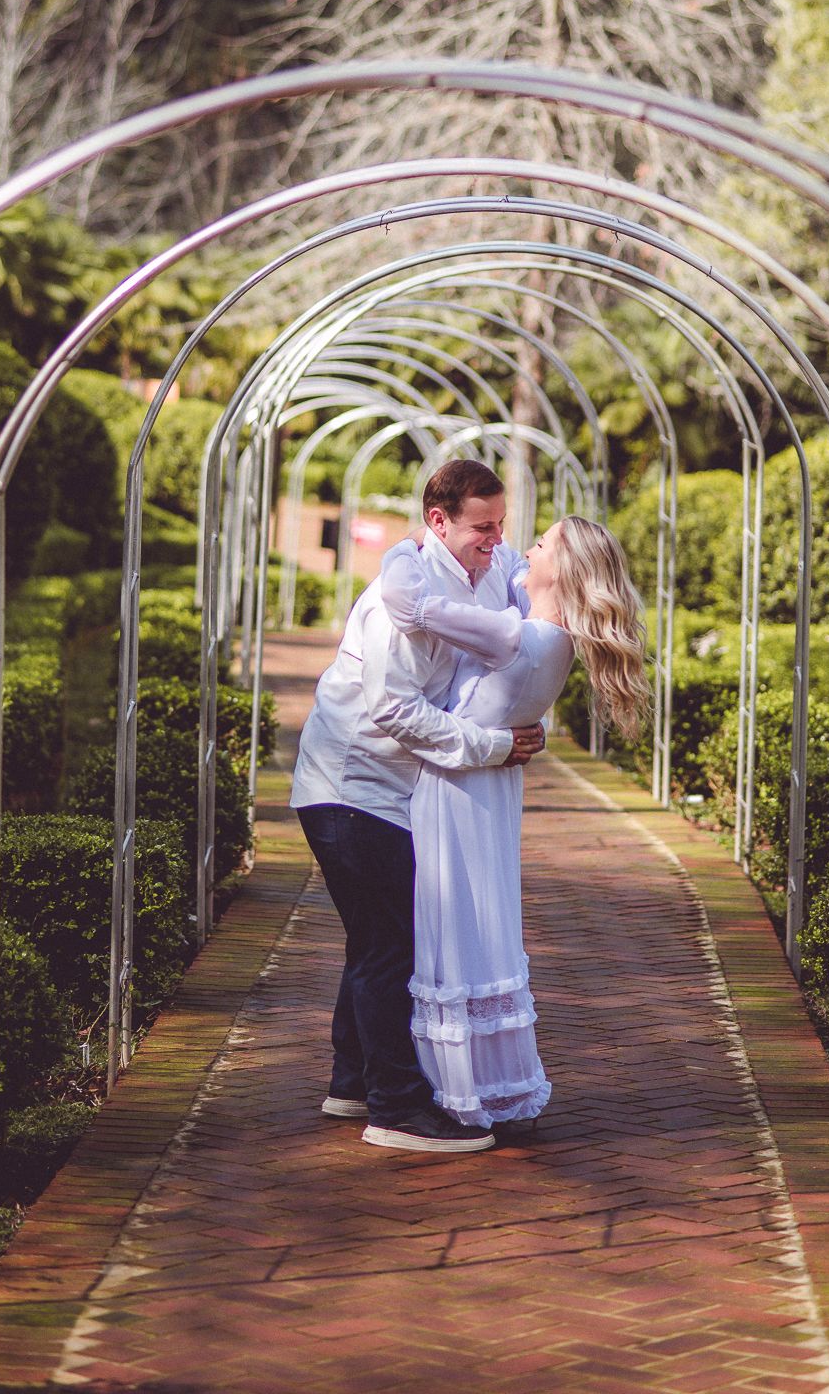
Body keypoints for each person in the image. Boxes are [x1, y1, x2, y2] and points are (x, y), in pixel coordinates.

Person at [291, 458, 542, 1155]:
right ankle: (396, 1109)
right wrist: (491, 745)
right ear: (438, 521)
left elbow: (529, 610)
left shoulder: (489, 569)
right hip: (349, 787)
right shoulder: (400, 597)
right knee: (391, 944)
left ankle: (352, 1083)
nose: (495, 540)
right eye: (480, 528)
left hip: (401, 789)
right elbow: (393, 708)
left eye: (500, 526)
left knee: (375, 937)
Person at [380, 516, 649, 1132]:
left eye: (543, 543)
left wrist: (410, 542)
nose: (526, 546)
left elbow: (408, 601)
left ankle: (448, 1086)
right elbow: (506, 577)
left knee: (449, 930)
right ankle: (484, 1077)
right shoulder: (553, 639)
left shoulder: (514, 638)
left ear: (566, 568)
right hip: (492, 789)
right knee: (480, 927)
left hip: (454, 789)